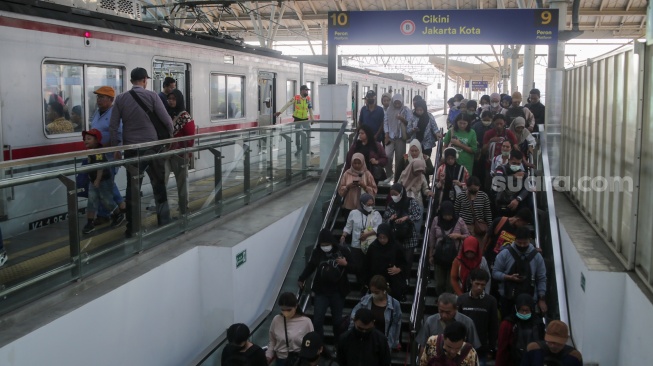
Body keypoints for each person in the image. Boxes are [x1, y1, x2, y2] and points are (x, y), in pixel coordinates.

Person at [110, 67, 173, 238]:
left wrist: (116, 148)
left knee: (133, 188)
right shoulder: (152, 96)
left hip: (131, 150)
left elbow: (113, 125)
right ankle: (164, 220)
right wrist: (170, 136)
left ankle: (133, 228)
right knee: (159, 185)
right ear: (145, 80)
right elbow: (166, 120)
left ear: (131, 81)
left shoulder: (121, 99)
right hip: (153, 148)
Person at [299, 229, 352, 342]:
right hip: (321, 291)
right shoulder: (317, 252)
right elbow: (311, 266)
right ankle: (320, 344)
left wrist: (346, 264)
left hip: (338, 291)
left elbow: (356, 267)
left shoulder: (342, 251)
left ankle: (338, 344)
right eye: (322, 245)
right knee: (317, 320)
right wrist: (302, 278)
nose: (325, 247)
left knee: (337, 321)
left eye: (327, 244)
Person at [492, 227, 547, 320]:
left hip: (530, 300)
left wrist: (541, 298)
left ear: (530, 240)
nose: (522, 246)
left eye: (525, 243)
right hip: (508, 298)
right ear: (515, 240)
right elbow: (495, 273)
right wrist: (508, 277)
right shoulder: (504, 254)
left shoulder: (537, 257)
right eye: (519, 243)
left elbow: (541, 278)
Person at [90, 86, 125, 225]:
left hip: (109, 154)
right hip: (97, 154)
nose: (98, 100)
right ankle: (104, 214)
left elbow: (118, 134)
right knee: (101, 184)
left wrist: (107, 146)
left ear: (111, 100)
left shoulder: (114, 113)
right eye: (98, 97)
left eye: (102, 97)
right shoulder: (97, 113)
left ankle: (121, 207)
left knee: (107, 184)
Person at [81, 129, 125, 234]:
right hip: (94, 180)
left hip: (103, 180)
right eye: (85, 139)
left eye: (89, 139)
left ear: (96, 140)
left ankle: (118, 214)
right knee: (91, 200)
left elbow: (100, 167)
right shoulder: (91, 151)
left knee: (106, 200)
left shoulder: (98, 151)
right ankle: (89, 223)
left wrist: (97, 180)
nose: (85, 141)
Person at [349, 275, 402, 351]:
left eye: (376, 292)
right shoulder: (365, 300)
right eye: (372, 291)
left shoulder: (395, 304)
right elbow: (354, 315)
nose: (373, 294)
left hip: (383, 343)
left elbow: (396, 325)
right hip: (365, 341)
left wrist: (395, 342)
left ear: (384, 290)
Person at [456, 269, 498, 366]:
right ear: (471, 281)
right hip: (462, 344)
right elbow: (456, 322)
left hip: (481, 346)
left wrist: (491, 347)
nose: (479, 287)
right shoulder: (462, 299)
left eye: (482, 285)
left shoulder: (491, 301)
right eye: (477, 283)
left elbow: (493, 325)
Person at [383, 183, 421, 286]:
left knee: (407, 261)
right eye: (392, 194)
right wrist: (391, 219)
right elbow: (385, 219)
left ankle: (406, 279)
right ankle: (396, 281)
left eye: (395, 194)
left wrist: (406, 218)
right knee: (395, 260)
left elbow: (417, 215)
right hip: (395, 237)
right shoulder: (391, 204)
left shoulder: (411, 202)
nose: (393, 196)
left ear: (401, 193)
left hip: (409, 237)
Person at [429, 201, 469, 295]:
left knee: (450, 283)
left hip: (454, 256)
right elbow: (432, 238)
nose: (447, 217)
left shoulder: (459, 221)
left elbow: (468, 235)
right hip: (439, 255)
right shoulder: (436, 220)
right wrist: (430, 254)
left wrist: (458, 236)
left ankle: (448, 300)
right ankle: (440, 298)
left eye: (449, 215)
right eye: (445, 215)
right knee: (439, 282)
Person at [166, 89, 196, 215]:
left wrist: (185, 151)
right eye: (169, 99)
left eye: (173, 99)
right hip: (167, 153)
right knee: (163, 179)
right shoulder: (167, 114)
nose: (171, 101)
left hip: (180, 154)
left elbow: (190, 137)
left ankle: (184, 207)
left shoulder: (185, 116)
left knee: (182, 182)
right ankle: (163, 208)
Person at [417, 293, 481, 351]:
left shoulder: (467, 322)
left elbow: (473, 348)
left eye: (448, 312)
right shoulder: (430, 321)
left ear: (456, 308)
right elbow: (423, 346)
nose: (444, 315)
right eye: (441, 311)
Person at [496, 293, 545, 366]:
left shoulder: (538, 324)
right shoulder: (508, 324)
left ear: (532, 309)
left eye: (527, 310)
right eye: (522, 310)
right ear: (516, 309)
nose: (524, 313)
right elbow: (502, 349)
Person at [266, 292, 314, 366]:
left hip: (298, 360)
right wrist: (268, 356)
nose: (285, 313)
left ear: (296, 306)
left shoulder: (306, 322)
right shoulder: (277, 319)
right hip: (281, 359)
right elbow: (272, 341)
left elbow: (311, 343)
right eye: (283, 310)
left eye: (289, 310)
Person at [365, 223, 408, 300]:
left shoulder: (396, 247)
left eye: (384, 237)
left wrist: (398, 269)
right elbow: (367, 265)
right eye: (380, 237)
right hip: (377, 281)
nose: (382, 240)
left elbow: (404, 263)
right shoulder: (373, 247)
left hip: (392, 281)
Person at [275, 85, 314, 154]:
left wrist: (312, 119)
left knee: (308, 134)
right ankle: (298, 149)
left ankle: (308, 149)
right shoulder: (296, 98)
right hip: (297, 119)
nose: (307, 91)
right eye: (306, 90)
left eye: (307, 90)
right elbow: (287, 104)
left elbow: (310, 109)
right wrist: (280, 112)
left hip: (305, 119)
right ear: (301, 91)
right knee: (298, 135)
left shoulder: (308, 98)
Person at [383, 93, 412, 183]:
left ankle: (398, 178)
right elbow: (385, 122)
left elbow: (410, 123)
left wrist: (402, 119)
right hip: (390, 137)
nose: (397, 104)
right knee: (387, 156)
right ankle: (389, 174)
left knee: (400, 159)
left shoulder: (406, 110)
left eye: (399, 103)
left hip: (400, 138)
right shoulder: (389, 110)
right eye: (395, 103)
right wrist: (386, 133)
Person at [454, 176, 493, 240]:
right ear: (467, 187)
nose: (473, 191)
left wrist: (490, 227)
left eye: (475, 189)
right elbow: (456, 212)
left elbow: (488, 213)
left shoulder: (483, 196)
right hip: (464, 226)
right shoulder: (461, 196)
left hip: (479, 227)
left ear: (479, 186)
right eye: (471, 189)